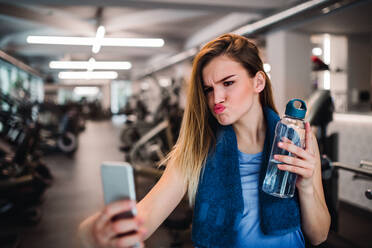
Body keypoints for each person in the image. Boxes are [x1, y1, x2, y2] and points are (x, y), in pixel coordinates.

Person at [78, 33, 330, 248]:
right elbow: (146, 214)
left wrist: (306, 187)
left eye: (228, 83)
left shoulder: (298, 142)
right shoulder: (198, 149)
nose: (216, 98)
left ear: (258, 82)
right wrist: (94, 232)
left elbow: (318, 235)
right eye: (208, 89)